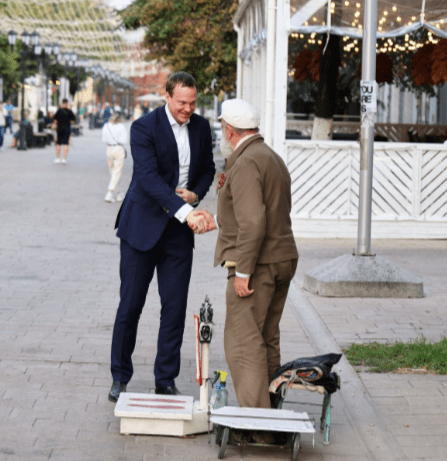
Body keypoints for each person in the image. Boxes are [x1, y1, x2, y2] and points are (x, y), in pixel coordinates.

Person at [108, 71, 215, 402]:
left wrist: (195, 195)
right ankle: (120, 376)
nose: (187, 109)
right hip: (142, 226)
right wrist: (187, 212)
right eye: (182, 103)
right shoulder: (143, 127)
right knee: (131, 305)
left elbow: (210, 169)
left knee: (175, 306)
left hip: (178, 235)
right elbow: (148, 178)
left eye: (193, 103)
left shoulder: (200, 127)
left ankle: (165, 378)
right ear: (166, 97)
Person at [190, 99, 299, 411]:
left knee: (242, 342)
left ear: (229, 130)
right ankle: (271, 411)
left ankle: (257, 421)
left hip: (258, 265)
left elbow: (253, 222)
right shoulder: (270, 157)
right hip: (282, 257)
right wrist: (220, 221)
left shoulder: (246, 162)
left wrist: (242, 273)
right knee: (265, 338)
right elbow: (261, 213)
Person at [102, 113, 127, 203]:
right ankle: (110, 192)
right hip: (118, 149)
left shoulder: (106, 126)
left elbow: (104, 139)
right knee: (117, 172)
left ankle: (119, 193)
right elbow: (124, 140)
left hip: (109, 149)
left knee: (113, 172)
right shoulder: (122, 126)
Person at [53, 99, 76, 164]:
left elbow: (55, 121)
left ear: (62, 104)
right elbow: (73, 121)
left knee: (58, 144)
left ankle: (57, 158)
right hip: (67, 129)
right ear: (67, 104)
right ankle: (64, 159)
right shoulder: (70, 111)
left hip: (59, 129)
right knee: (66, 144)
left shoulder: (59, 111)